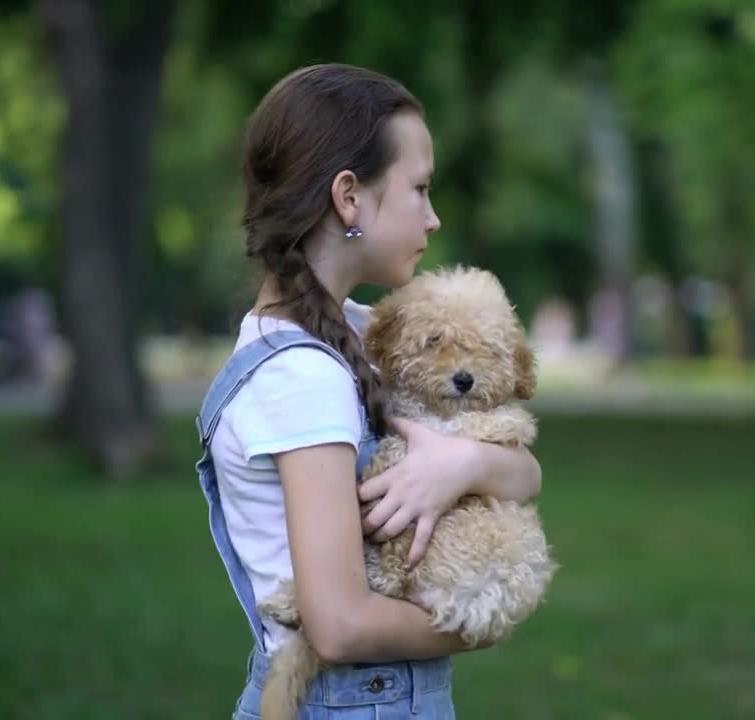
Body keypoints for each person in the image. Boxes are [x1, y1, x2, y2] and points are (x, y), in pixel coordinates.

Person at [193, 64, 543, 719]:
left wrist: (464, 463)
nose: (434, 219)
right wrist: (488, 620)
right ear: (349, 196)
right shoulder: (303, 377)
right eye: (420, 189)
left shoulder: (362, 333)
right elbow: (340, 627)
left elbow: (527, 476)